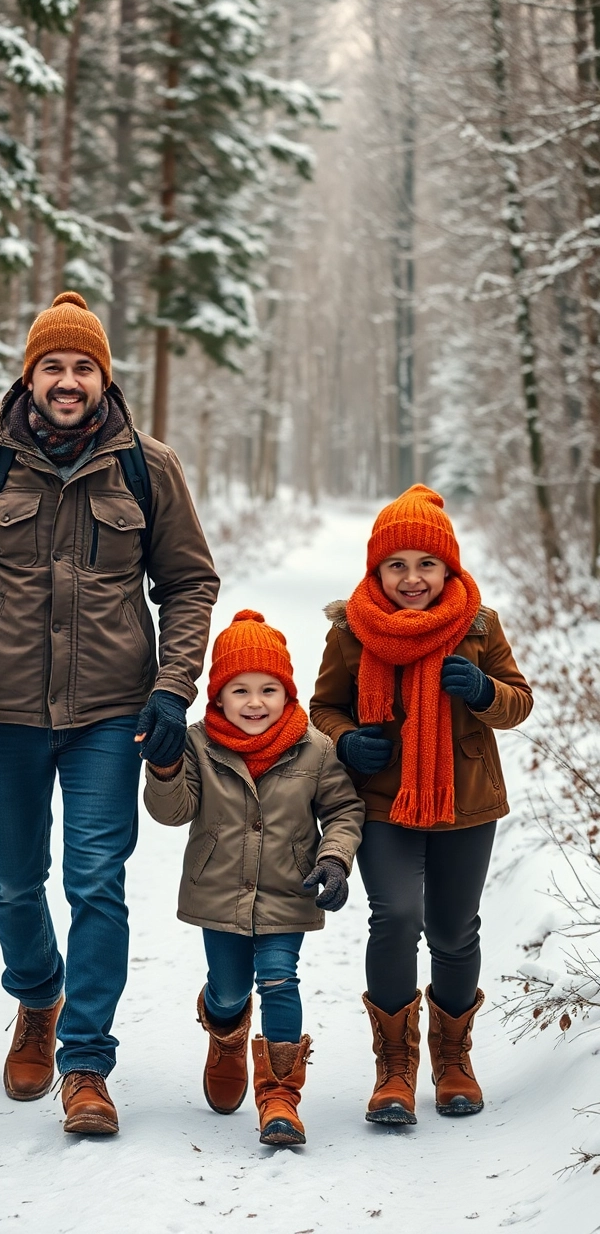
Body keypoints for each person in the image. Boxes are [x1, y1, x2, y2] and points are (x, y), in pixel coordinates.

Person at [0, 291, 219, 1134]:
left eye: (84, 366)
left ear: (104, 378)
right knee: (13, 881)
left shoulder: (147, 467)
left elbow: (189, 582)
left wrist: (172, 688)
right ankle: (38, 997)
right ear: (31, 375)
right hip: (3, 710)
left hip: (110, 714)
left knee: (97, 886)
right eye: (54, 365)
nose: (69, 380)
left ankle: (85, 1063)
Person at [310, 484, 532, 1126]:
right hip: (382, 801)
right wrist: (348, 740)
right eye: (396, 565)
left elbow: (519, 701)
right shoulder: (351, 630)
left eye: (426, 564)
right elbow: (321, 708)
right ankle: (394, 1069)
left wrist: (485, 689)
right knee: (397, 917)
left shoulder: (480, 624)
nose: (412, 578)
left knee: (454, 930)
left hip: (465, 801)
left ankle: (454, 1060)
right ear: (376, 570)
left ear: (449, 567)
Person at [143, 609, 365, 1147]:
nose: (255, 702)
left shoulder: (315, 748)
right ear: (216, 696)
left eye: (269, 689)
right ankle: (224, 1031)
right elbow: (171, 813)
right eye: (239, 690)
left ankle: (281, 1098)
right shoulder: (197, 744)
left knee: (279, 979)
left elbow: (343, 809)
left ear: (287, 692)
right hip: (217, 893)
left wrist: (334, 859)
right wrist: (166, 767)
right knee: (231, 988)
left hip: (290, 891)